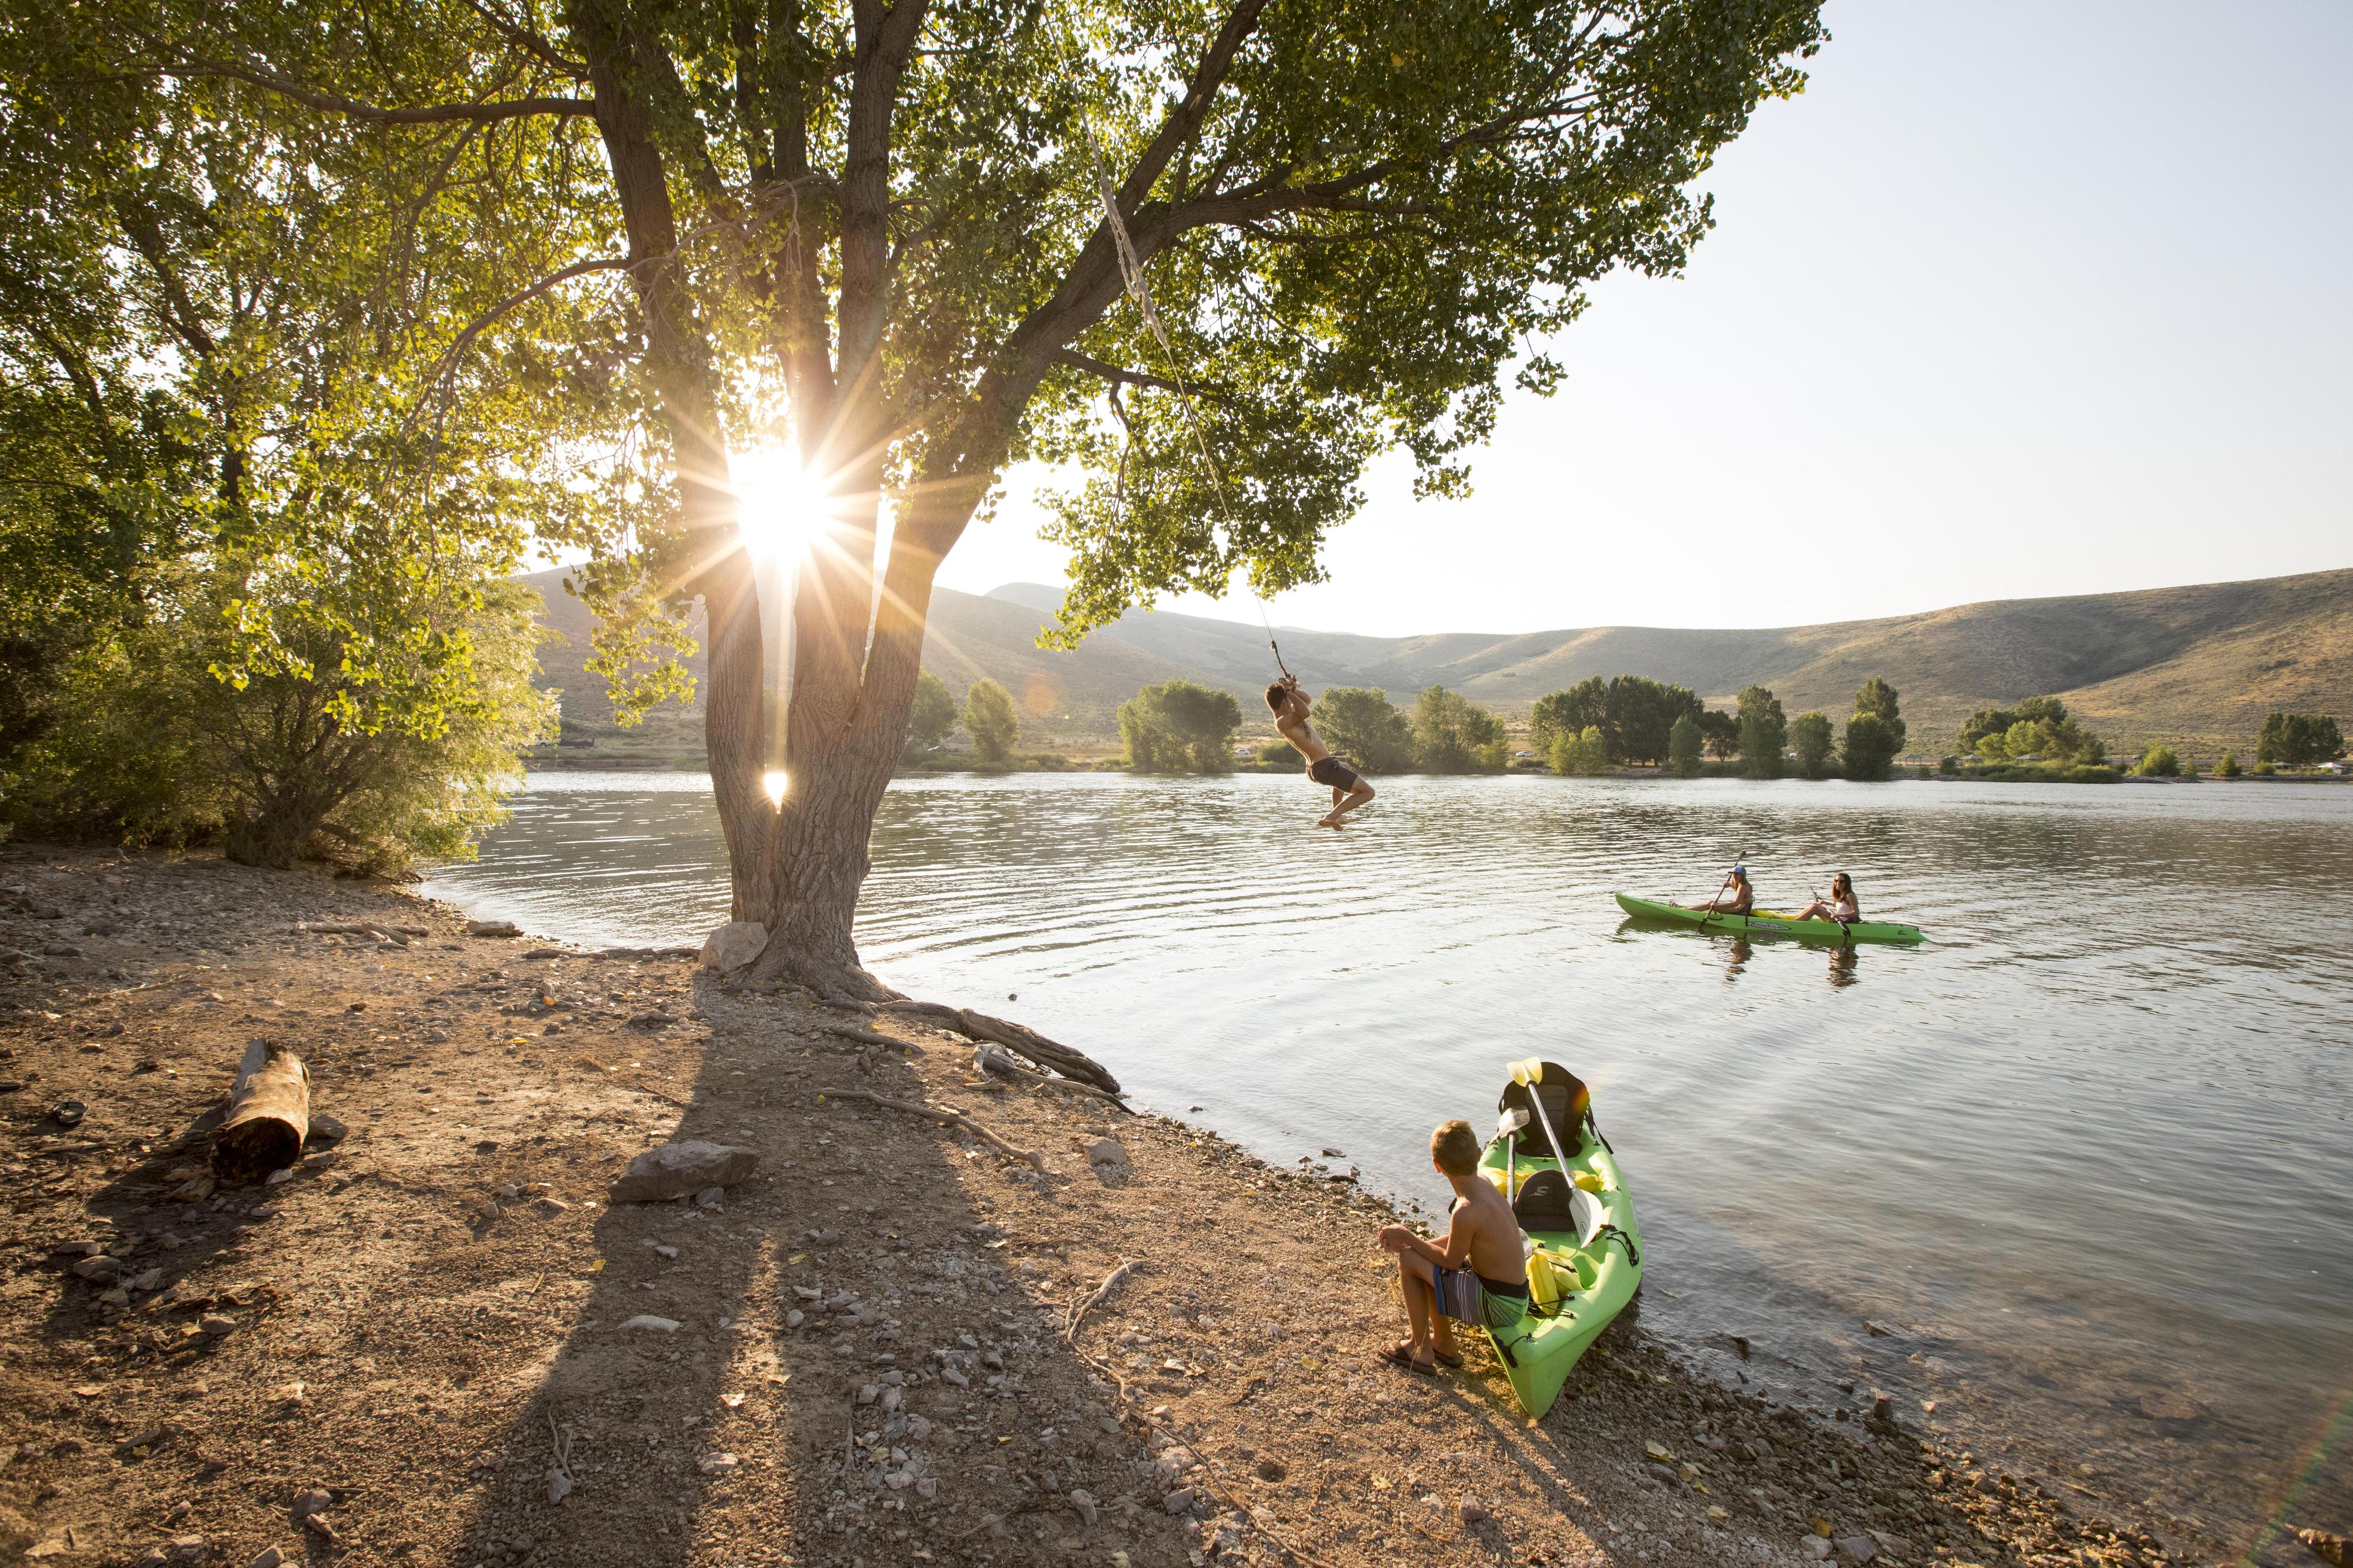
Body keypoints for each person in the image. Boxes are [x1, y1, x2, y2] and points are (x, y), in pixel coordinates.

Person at [1373, 1119, 1529, 1375]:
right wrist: (1414, 1245)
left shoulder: (1466, 1210)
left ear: (1438, 1167)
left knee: (1409, 1262)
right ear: (1479, 1155)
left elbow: (1450, 1261)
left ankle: (1420, 1349)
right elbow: (1461, 1243)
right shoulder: (1485, 1186)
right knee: (1419, 1258)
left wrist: (1408, 1239)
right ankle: (1444, 1344)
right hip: (1514, 1295)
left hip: (1500, 1306)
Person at [1267, 676, 1375, 829]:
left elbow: (1307, 700)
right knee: (1368, 793)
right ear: (1284, 701)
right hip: (1323, 767)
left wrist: (1292, 688)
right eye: (1289, 699)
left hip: (1320, 767)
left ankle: (1337, 815)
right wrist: (1289, 692)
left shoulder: (1290, 715)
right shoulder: (1283, 722)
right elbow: (1306, 712)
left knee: (1346, 766)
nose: (1292, 702)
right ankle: (1331, 817)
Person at [1682, 865, 1754, 915]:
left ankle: (1685, 912)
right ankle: (1686, 909)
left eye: (1737, 875)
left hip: (1740, 911)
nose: (1735, 877)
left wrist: (1718, 905)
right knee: (1710, 903)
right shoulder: (1745, 885)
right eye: (1733, 875)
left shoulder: (1742, 887)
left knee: (1710, 905)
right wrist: (1731, 885)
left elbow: (1736, 903)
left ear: (1742, 876)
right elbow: (1742, 894)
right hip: (1741, 909)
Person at [1795, 871, 1859, 924]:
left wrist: (1839, 915)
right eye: (1836, 881)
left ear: (1847, 883)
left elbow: (1856, 914)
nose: (1838, 883)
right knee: (1814, 905)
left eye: (1841, 881)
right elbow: (1843, 906)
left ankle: (1794, 923)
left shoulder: (1850, 895)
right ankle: (1794, 919)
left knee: (1815, 908)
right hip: (1839, 918)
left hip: (1845, 922)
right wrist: (1827, 903)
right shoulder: (1842, 894)